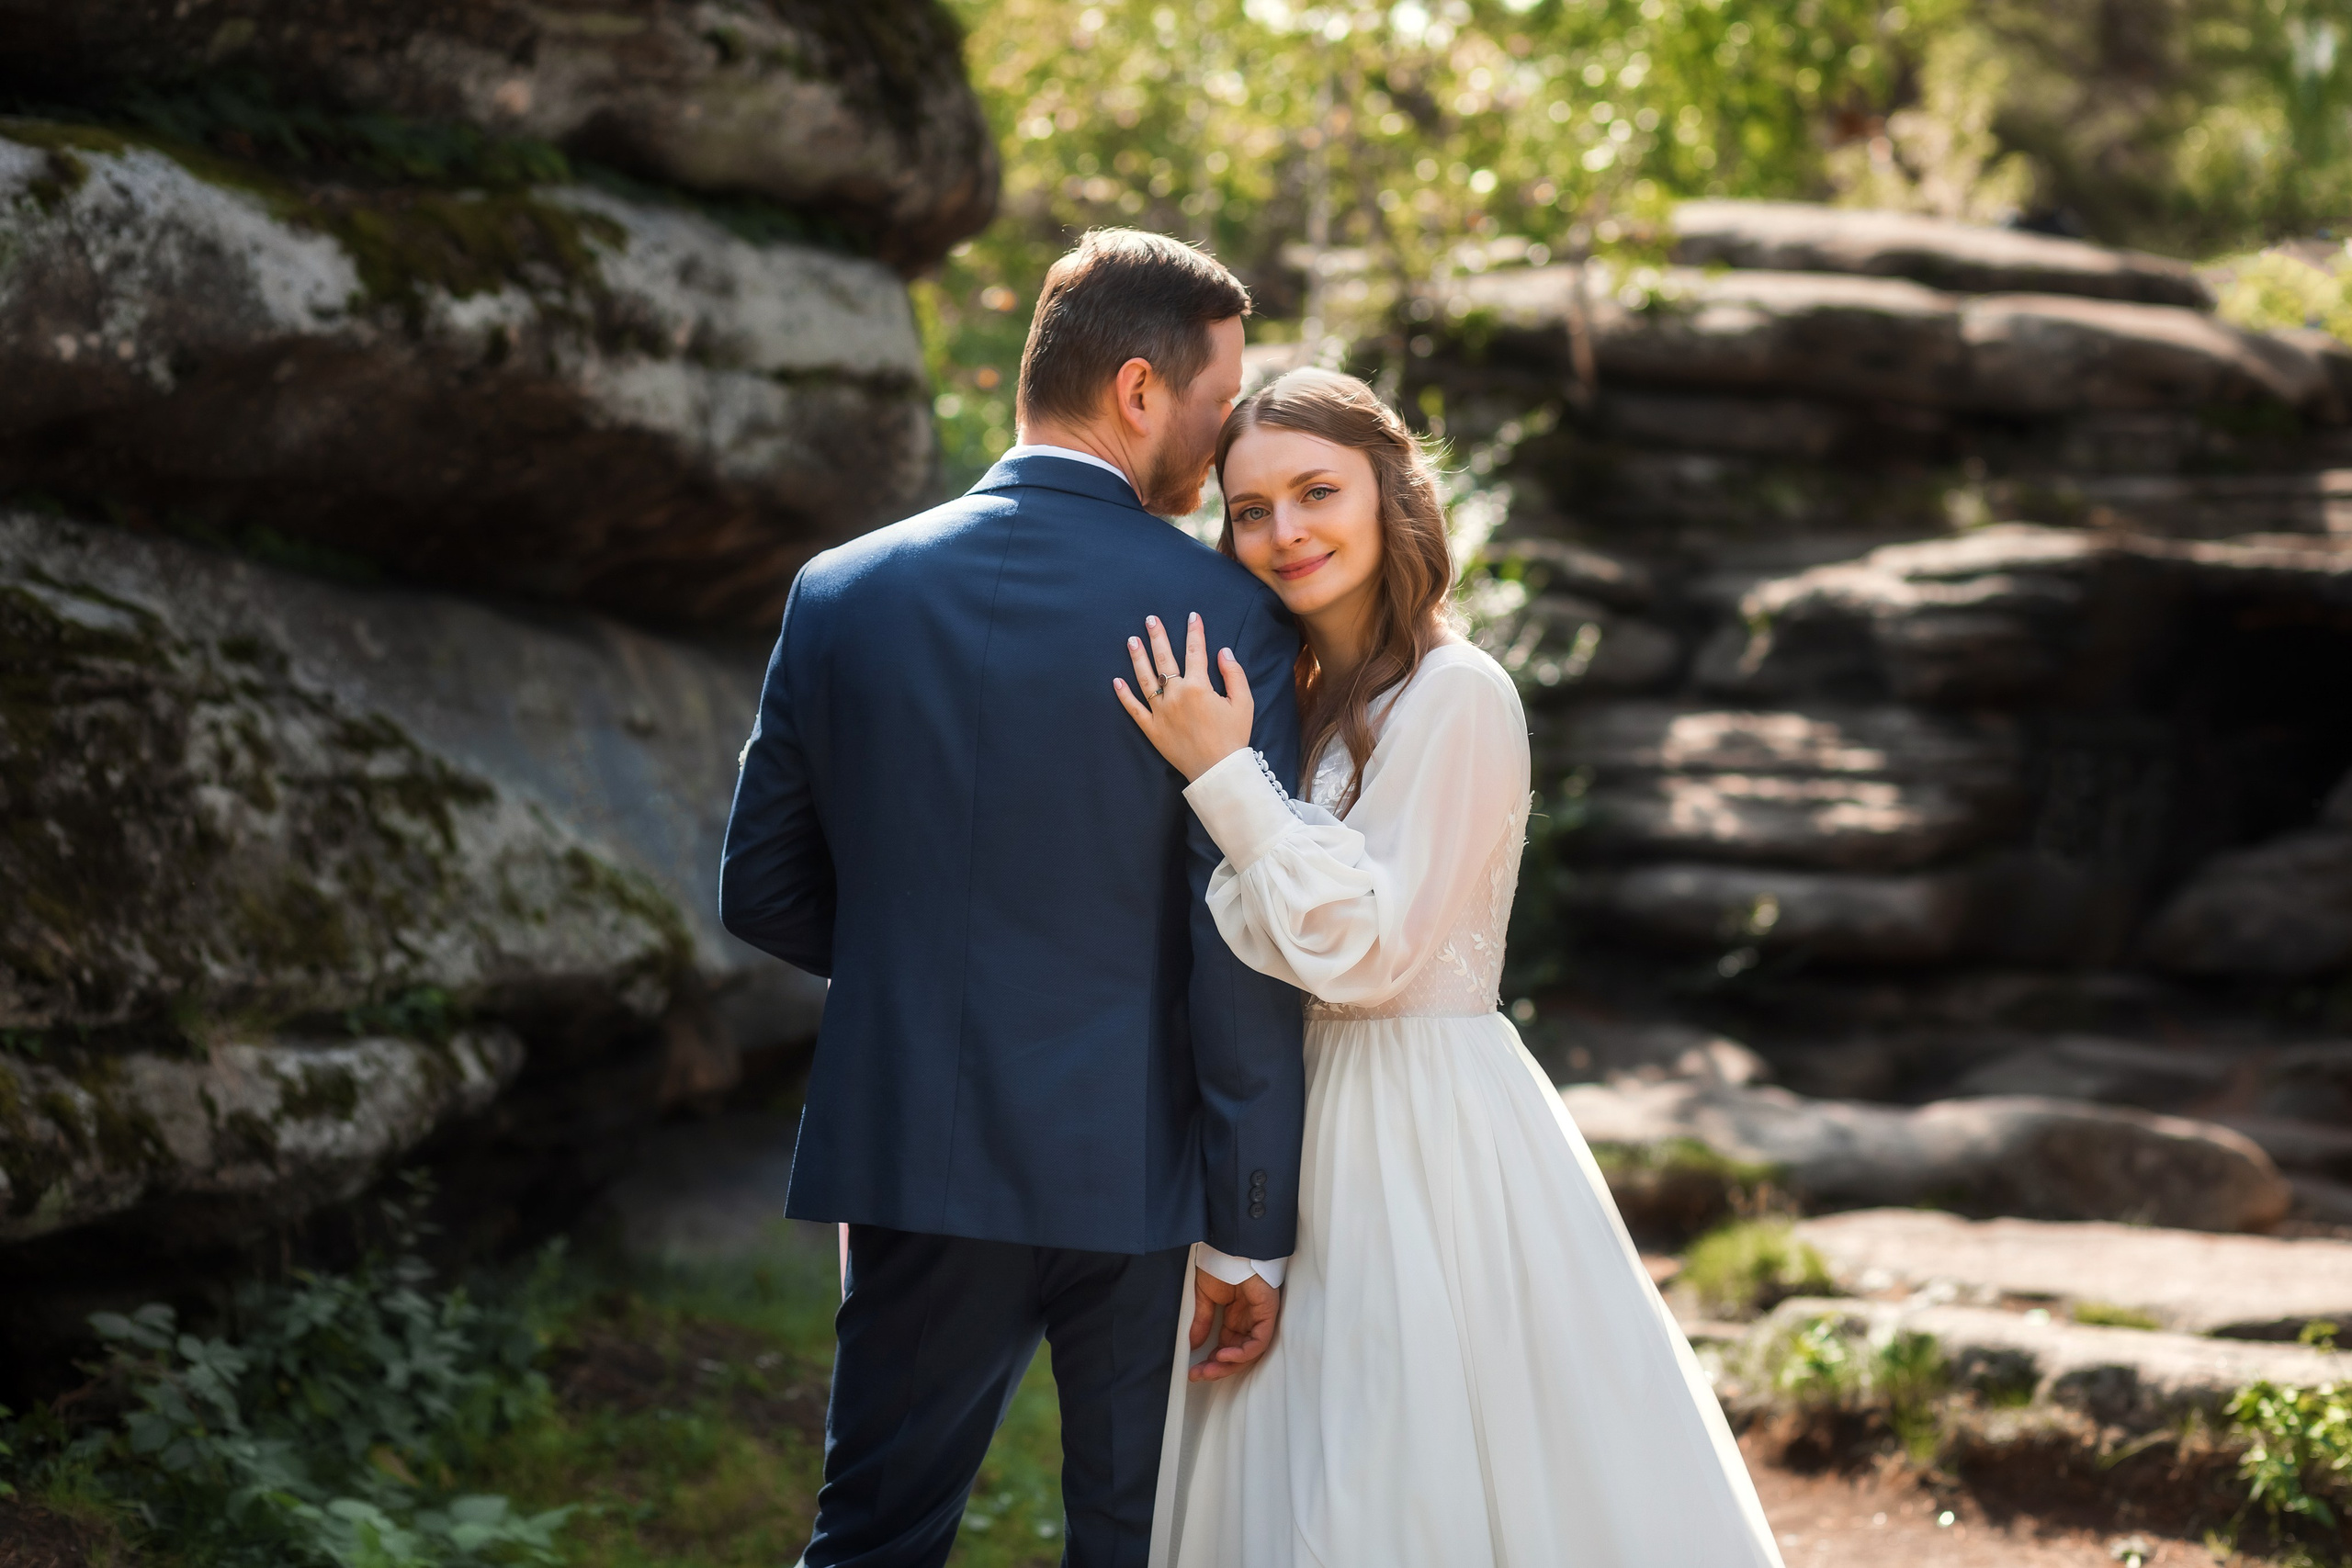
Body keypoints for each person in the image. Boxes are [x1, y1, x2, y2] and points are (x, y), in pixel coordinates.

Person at [1115, 367, 1787, 1568]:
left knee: (1393, 1472)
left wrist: (1223, 778)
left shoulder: (1458, 692)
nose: (1284, 532)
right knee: (1290, 1478)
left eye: (1317, 492)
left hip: (1416, 1134)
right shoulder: (1294, 698)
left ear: (1392, 496)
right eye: (1251, 507)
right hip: (1286, 1117)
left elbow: (1368, 956)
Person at [718, 229, 1306, 1568]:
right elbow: (1244, 943)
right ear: (1142, 390)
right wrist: (1252, 1221)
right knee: (1133, 1543)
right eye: (1219, 412)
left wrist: (918, 970)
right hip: (1144, 1171)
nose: (1222, 455)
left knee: (869, 1541)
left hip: (915, 1153)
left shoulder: (841, 591)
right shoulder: (1225, 616)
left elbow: (760, 887)